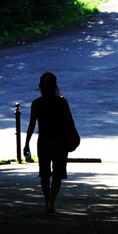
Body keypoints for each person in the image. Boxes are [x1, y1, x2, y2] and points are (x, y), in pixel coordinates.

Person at [24, 72, 72, 213]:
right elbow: (69, 122)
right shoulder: (61, 102)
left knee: (44, 173)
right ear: (55, 86)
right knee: (58, 174)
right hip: (60, 141)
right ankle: (51, 201)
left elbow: (32, 124)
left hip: (44, 141)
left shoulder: (37, 103)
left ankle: (47, 201)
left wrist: (26, 143)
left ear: (40, 87)